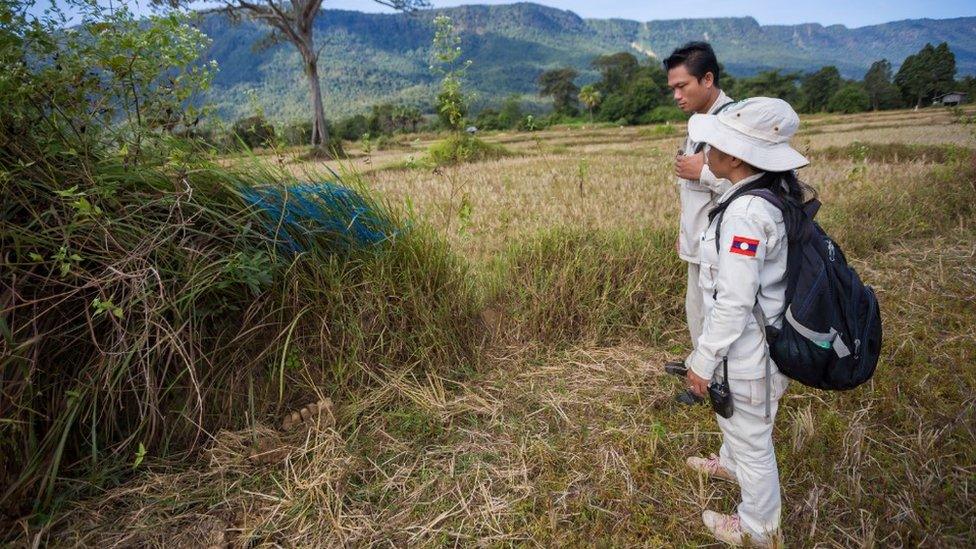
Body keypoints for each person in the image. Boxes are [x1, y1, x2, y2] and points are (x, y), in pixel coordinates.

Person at [681, 97, 812, 546]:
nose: (706, 153)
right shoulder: (763, 195)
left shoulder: (746, 215)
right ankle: (730, 464)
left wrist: (702, 360)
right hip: (764, 346)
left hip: (748, 353)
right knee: (748, 428)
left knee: (755, 445)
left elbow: (733, 302)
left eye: (714, 146)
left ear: (735, 157)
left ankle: (758, 529)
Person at [662, 42, 735, 405]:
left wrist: (703, 170)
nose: (676, 95)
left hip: (720, 244)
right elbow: (692, 194)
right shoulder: (700, 123)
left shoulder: (733, 124)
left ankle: (714, 383)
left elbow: (746, 186)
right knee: (696, 308)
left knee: (717, 313)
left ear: (707, 79)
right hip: (698, 239)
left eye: (682, 86)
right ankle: (698, 365)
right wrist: (684, 234)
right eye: (673, 87)